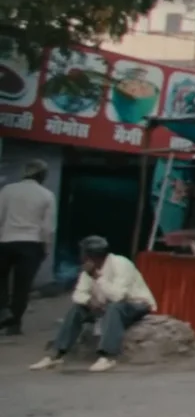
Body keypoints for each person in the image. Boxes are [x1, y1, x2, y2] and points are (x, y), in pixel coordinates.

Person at [29, 235, 155, 372]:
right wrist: (89, 301)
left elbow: (117, 296)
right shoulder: (88, 270)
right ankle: (57, 354)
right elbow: (78, 294)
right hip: (104, 305)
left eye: (83, 253)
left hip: (136, 304)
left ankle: (108, 356)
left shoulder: (121, 264)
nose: (81, 256)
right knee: (77, 309)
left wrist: (96, 276)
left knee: (114, 308)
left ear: (91, 256)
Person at [0, 158, 56, 336]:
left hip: (6, 241)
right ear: (42, 176)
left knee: (1, 279)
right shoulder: (47, 195)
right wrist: (46, 248)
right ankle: (14, 325)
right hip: (32, 244)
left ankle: (3, 309)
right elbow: (48, 228)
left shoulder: (8, 190)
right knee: (22, 286)